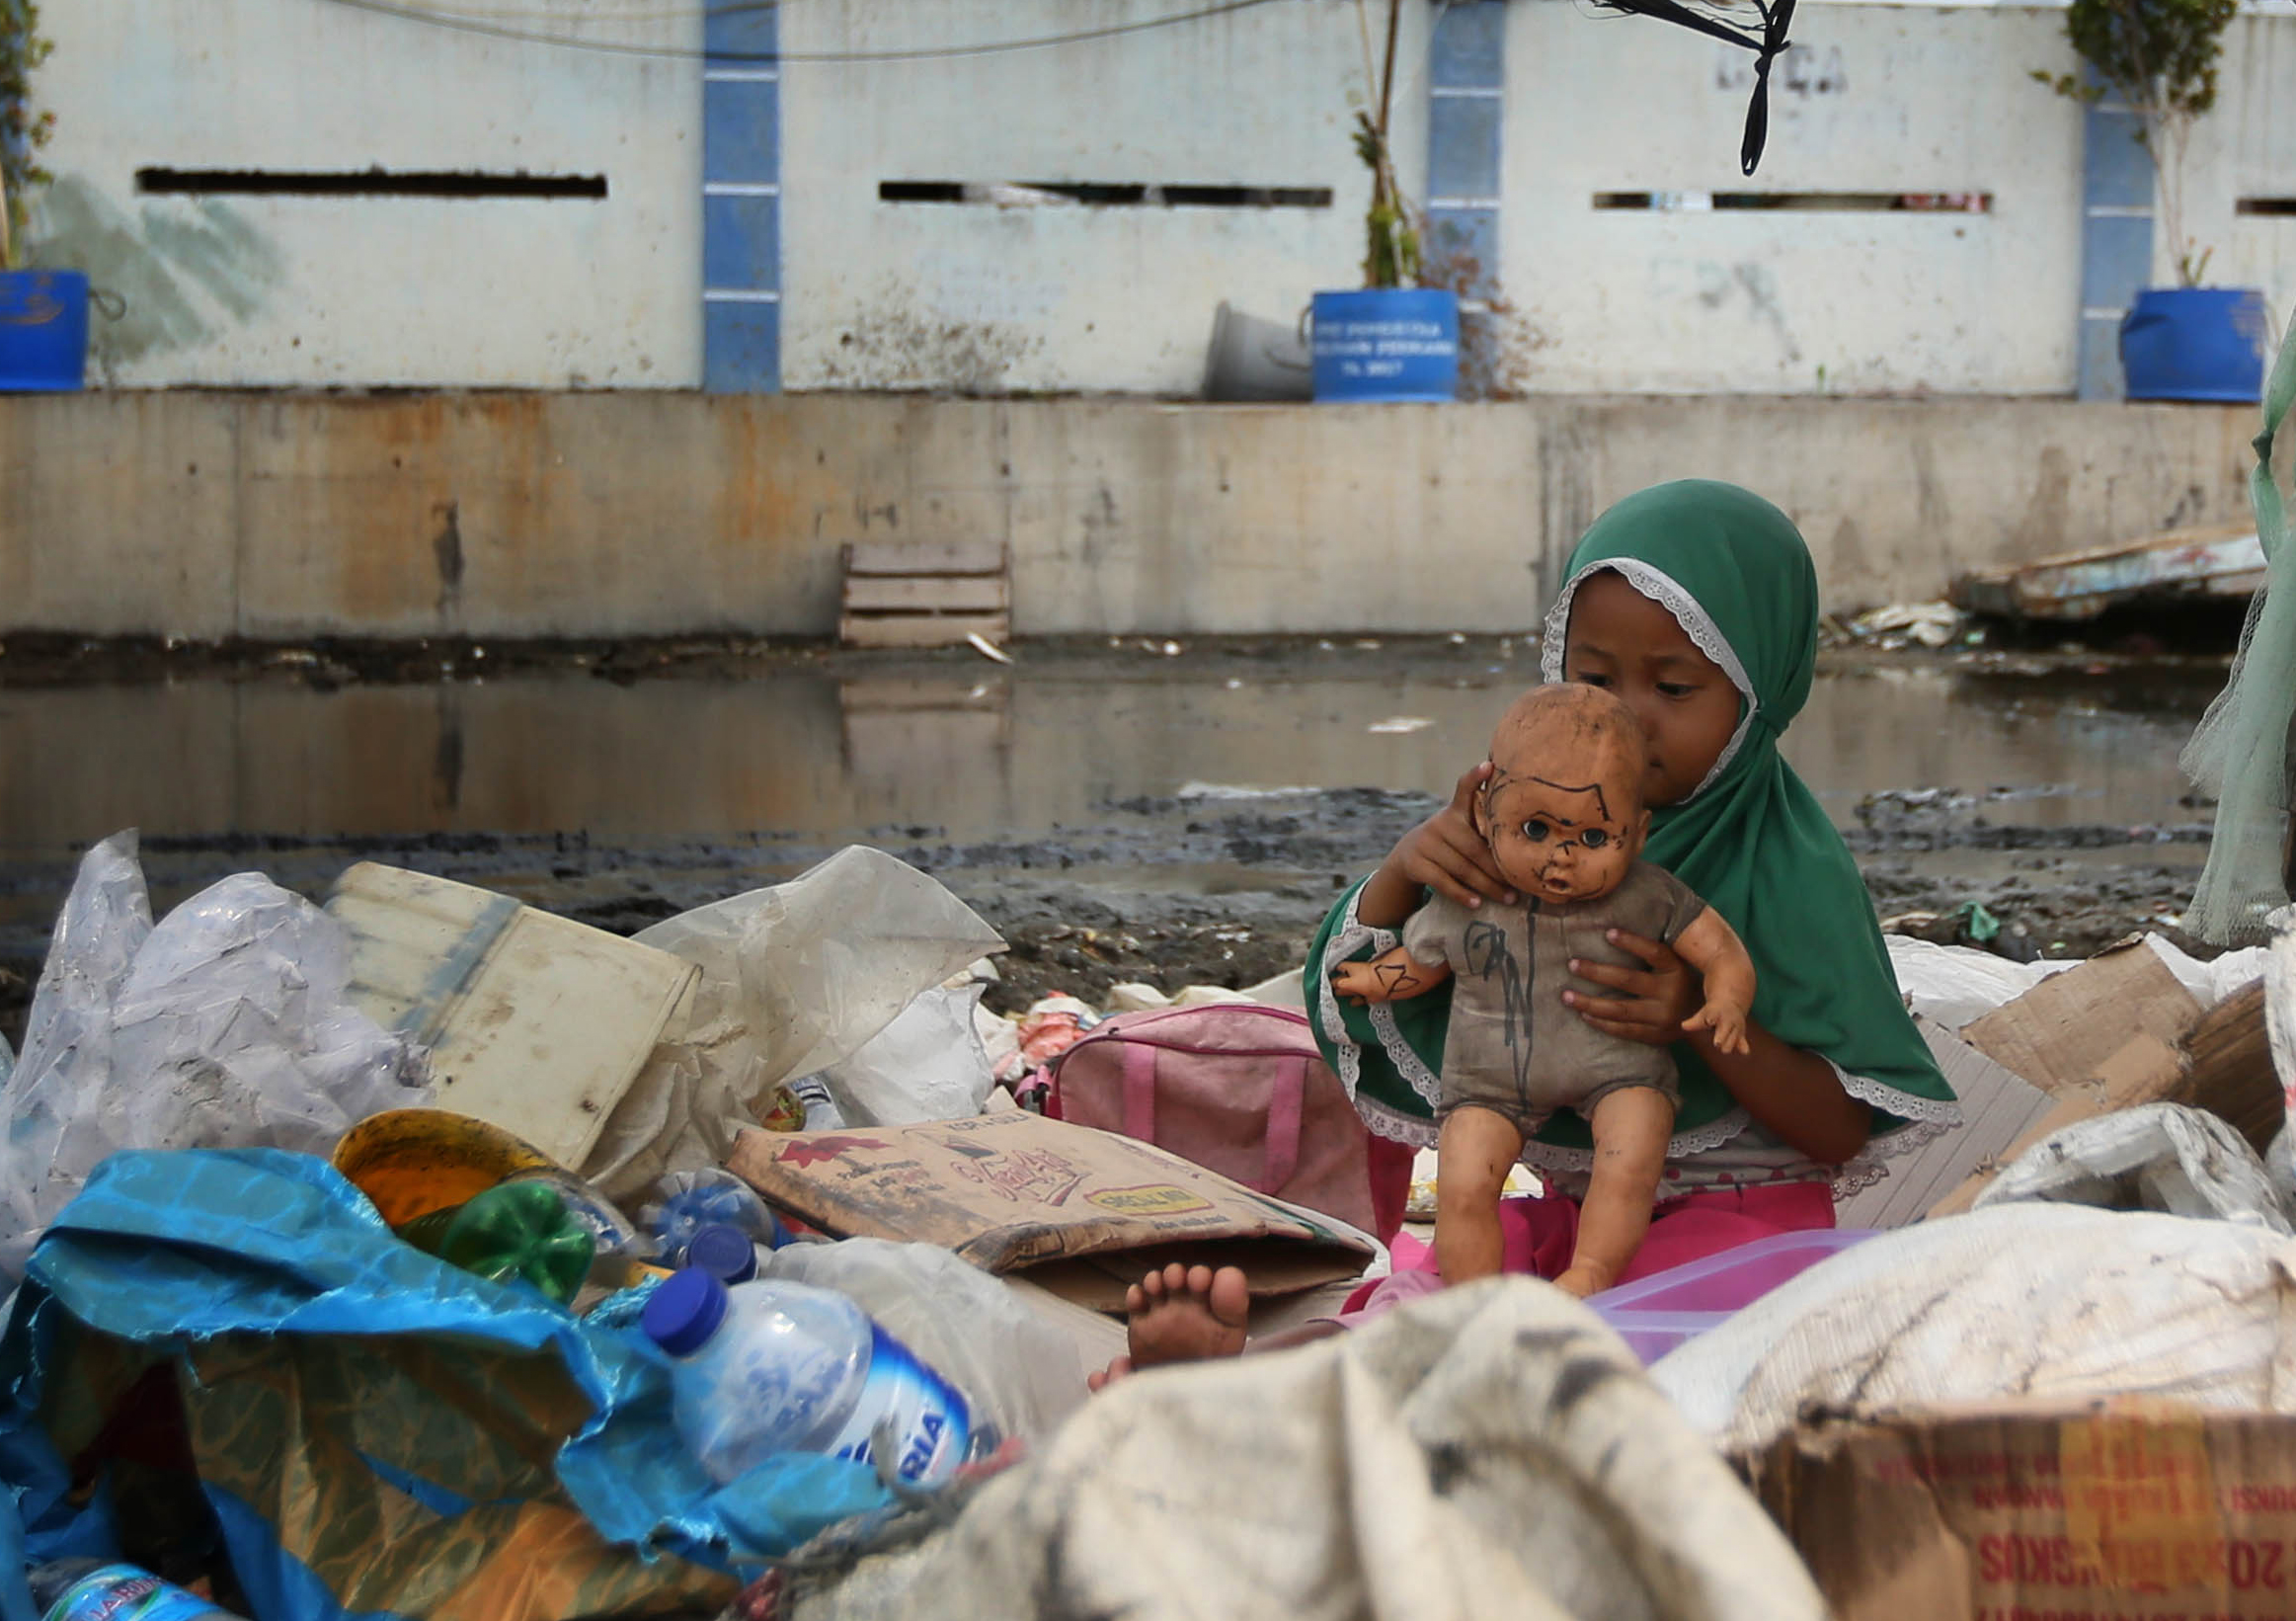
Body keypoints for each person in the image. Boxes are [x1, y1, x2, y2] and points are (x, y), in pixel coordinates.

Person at [1090, 480, 1959, 1386]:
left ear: (1760, 689)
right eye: (1592, 678)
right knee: (1435, 1308)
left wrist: (1696, 1018)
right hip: (1570, 1227)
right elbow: (1370, 980)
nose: (1623, 716)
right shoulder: (1540, 831)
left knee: (1602, 1363)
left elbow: (1836, 1132)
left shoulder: (1789, 871)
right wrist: (1407, 869)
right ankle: (1235, 1375)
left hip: (1736, 1233)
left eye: (1672, 686)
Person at [1330, 683, 1757, 1295]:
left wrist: (1726, 997)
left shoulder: (1648, 895)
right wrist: (1375, 978)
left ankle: (1589, 1273)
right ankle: (1472, 1296)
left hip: (1618, 1071)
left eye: (1590, 839)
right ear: (1486, 814)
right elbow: (1423, 962)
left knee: (1629, 1157)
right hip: (1490, 1080)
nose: (1559, 857)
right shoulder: (1474, 897)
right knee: (1464, 1182)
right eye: (1534, 829)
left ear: (1636, 836)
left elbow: (1720, 949)